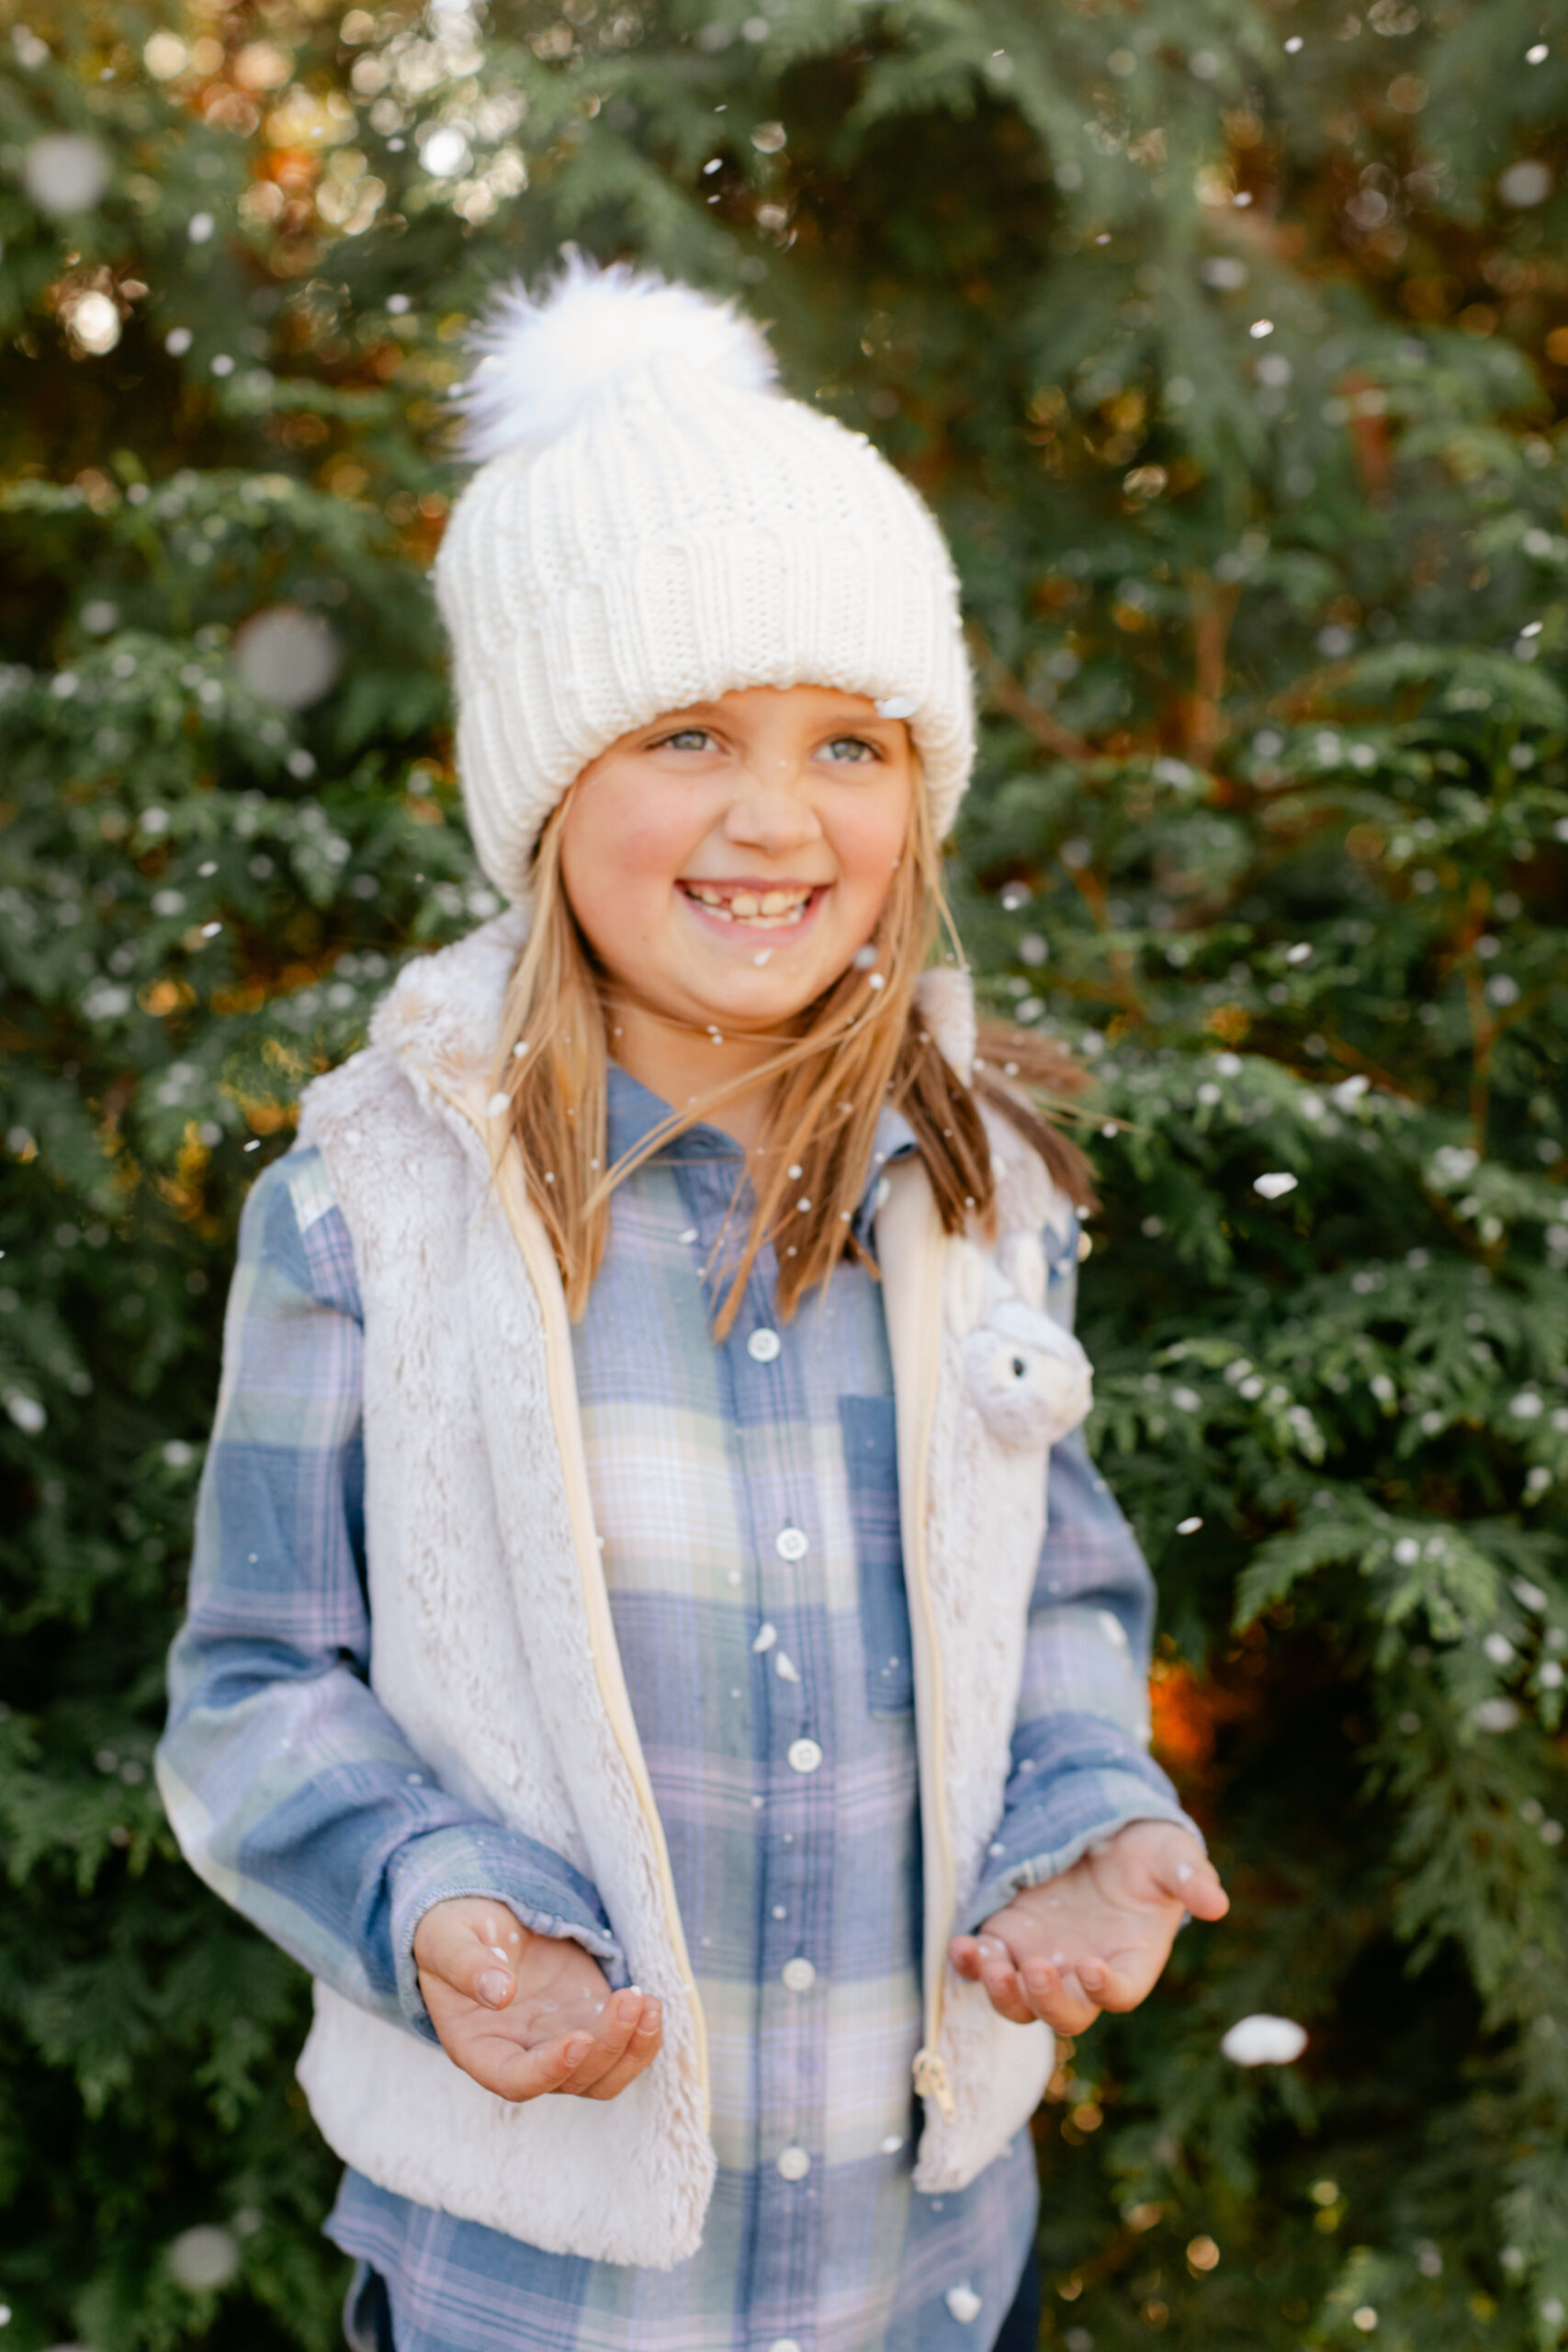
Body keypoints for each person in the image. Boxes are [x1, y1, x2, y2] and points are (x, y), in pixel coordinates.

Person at [156, 252, 1228, 2352]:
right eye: (686, 732)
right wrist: (433, 1902)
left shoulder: (981, 1198)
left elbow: (1060, 1608)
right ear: (550, 791)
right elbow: (257, 1679)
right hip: (527, 2293)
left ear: (921, 792)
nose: (774, 812)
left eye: (848, 737)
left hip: (924, 2276)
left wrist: (1089, 1814)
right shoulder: (375, 1210)